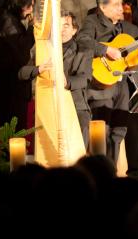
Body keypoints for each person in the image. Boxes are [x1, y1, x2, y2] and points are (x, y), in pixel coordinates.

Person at [76, 0, 138, 175]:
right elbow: (82, 40)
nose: (121, 8)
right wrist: (105, 50)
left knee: (119, 130)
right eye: (115, 5)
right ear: (102, 7)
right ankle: (98, 175)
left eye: (121, 4)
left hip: (121, 84)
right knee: (101, 130)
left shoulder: (127, 28)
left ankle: (112, 173)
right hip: (100, 84)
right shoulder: (92, 21)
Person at [18, 11, 91, 147]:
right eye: (58, 25)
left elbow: (85, 79)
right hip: (49, 103)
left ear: (74, 30)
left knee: (82, 129)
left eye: (66, 25)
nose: (61, 30)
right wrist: (38, 69)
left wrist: (67, 82)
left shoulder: (83, 50)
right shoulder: (43, 49)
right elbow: (22, 73)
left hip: (76, 105)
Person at [0, 0, 36, 129]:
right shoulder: (7, 22)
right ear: (19, 4)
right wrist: (31, 28)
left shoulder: (6, 18)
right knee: (14, 134)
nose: (31, 11)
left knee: (13, 134)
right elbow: (21, 50)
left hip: (10, 88)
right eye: (29, 6)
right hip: (10, 90)